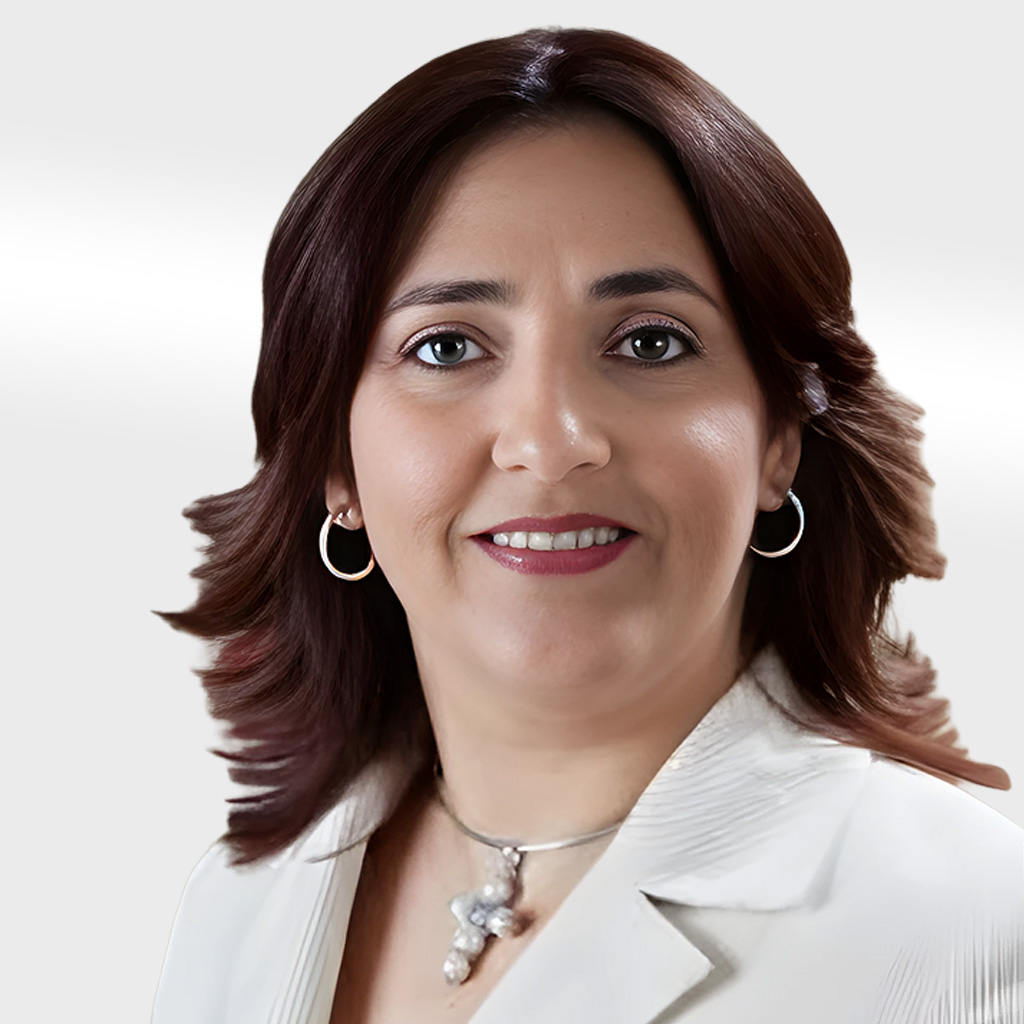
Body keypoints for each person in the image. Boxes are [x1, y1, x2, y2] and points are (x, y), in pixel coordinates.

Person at [152, 27, 1023, 1024]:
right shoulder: (239, 904)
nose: (550, 441)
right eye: (446, 347)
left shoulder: (974, 936)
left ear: (778, 439)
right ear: (334, 463)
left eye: (650, 342)